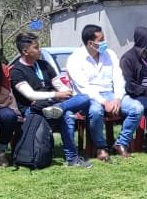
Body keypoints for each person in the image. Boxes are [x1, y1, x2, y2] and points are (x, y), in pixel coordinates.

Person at [9, 32, 92, 168]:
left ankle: (59, 108)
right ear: (25, 51)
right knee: (67, 115)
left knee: (85, 98)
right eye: (36, 47)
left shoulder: (44, 65)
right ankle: (72, 158)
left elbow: (60, 86)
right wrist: (55, 95)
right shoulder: (16, 71)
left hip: (53, 105)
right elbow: (30, 95)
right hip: (33, 110)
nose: (40, 50)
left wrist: (65, 92)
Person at [64, 24, 144, 161]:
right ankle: (101, 147)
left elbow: (118, 78)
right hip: (87, 97)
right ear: (90, 43)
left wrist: (118, 98)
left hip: (110, 93)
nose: (104, 42)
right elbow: (84, 87)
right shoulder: (75, 59)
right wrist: (104, 102)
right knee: (95, 111)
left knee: (137, 108)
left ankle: (121, 143)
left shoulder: (110, 54)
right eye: (101, 40)